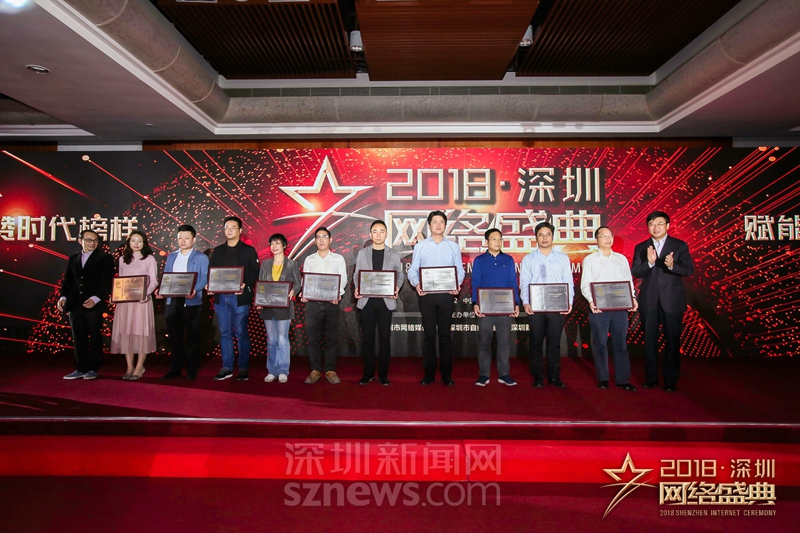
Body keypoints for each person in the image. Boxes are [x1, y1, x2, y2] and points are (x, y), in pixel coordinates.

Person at [631, 211, 694, 392]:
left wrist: (672, 265)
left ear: (667, 225)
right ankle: (651, 378)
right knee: (649, 341)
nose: (655, 227)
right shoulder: (641, 247)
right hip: (649, 300)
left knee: (672, 341)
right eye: (651, 223)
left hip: (672, 301)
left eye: (659, 223)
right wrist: (650, 263)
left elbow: (688, 270)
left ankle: (670, 381)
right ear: (647, 227)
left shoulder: (679, 245)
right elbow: (636, 271)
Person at [407, 210, 465, 386]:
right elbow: (412, 270)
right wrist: (417, 284)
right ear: (429, 225)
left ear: (445, 225)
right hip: (427, 296)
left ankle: (446, 374)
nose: (438, 225)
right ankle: (429, 373)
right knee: (429, 335)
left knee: (445, 336)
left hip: (447, 295)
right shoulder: (421, 246)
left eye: (441, 222)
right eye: (435, 222)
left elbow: (459, 269)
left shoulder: (453, 246)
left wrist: (457, 284)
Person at [580, 226, 637, 391]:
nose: (607, 239)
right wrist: (592, 301)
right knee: (600, 343)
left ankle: (623, 379)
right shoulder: (590, 259)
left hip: (620, 307)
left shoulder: (621, 259)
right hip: (599, 308)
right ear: (597, 240)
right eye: (603, 236)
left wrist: (632, 298)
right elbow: (585, 284)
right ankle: (603, 378)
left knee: (620, 344)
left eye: (610, 236)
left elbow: (628, 281)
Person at [519, 221, 574, 388]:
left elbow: (568, 281)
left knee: (554, 344)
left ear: (553, 236)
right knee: (535, 343)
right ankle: (537, 376)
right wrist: (526, 302)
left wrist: (568, 302)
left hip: (557, 306)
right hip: (535, 307)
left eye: (548, 234)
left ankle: (554, 376)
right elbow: (524, 282)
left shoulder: (563, 258)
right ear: (536, 237)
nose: (544, 238)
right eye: (541, 235)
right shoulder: (528, 259)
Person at [207, 216, 259, 381]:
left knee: (241, 332)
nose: (229, 230)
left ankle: (243, 367)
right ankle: (227, 367)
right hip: (221, 298)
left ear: (240, 230)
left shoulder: (248, 251)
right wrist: (210, 284)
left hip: (240, 298)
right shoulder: (218, 251)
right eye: (227, 227)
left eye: (233, 227)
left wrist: (245, 284)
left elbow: (254, 272)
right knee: (225, 332)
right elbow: (212, 271)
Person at [58, 229, 114, 380]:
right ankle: (80, 368)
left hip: (94, 304)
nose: (92, 243)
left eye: (95, 240)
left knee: (95, 335)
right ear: (80, 241)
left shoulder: (105, 258)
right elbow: (68, 281)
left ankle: (94, 368)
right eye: (88, 240)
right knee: (78, 336)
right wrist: (63, 297)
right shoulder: (74, 258)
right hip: (75, 303)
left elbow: (107, 281)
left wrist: (96, 298)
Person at [353, 219, 405, 386]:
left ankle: (383, 374)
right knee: (367, 340)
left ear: (386, 234)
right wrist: (357, 287)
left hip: (385, 302)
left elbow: (400, 275)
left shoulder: (393, 254)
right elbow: (357, 274)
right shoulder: (363, 253)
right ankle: (368, 374)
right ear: (370, 234)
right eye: (375, 231)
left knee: (384, 339)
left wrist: (396, 287)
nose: (378, 234)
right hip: (366, 301)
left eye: (381, 231)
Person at [157, 224, 209, 381]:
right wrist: (161, 289)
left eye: (186, 238)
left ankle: (192, 370)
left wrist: (195, 289)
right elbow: (167, 276)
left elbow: (204, 277)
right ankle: (175, 368)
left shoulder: (201, 257)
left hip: (192, 300)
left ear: (194, 239)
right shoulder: (172, 256)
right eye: (180, 238)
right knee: (174, 336)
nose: (183, 241)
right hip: (173, 300)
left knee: (192, 336)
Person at [472, 228, 520, 386]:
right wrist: (475, 303)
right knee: (484, 342)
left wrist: (516, 303)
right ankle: (483, 374)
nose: (497, 242)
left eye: (500, 239)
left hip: (505, 308)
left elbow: (513, 282)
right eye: (493, 239)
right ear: (486, 241)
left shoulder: (508, 259)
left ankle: (504, 374)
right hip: (485, 308)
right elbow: (476, 283)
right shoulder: (479, 260)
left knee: (504, 342)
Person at [301, 226, 348, 385]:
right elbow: (306, 279)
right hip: (313, 304)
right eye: (318, 237)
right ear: (315, 241)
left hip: (331, 303)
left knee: (331, 338)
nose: (321, 240)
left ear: (330, 240)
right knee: (313, 338)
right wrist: (305, 292)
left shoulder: (338, 259)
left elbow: (343, 278)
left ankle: (330, 370)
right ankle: (315, 370)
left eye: (324, 237)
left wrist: (337, 294)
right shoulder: (309, 259)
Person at [110, 230, 158, 380]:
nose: (136, 244)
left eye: (140, 241)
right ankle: (129, 366)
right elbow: (121, 282)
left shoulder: (149, 259)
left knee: (141, 333)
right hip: (125, 303)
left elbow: (154, 281)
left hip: (142, 302)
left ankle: (139, 367)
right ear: (128, 243)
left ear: (144, 243)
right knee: (127, 333)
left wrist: (146, 294)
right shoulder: (122, 259)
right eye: (133, 241)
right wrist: (115, 296)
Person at [257, 233, 301, 384]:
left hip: (284, 308)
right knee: (271, 340)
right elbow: (261, 283)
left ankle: (283, 370)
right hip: (268, 308)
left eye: (277, 243)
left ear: (284, 245)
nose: (274, 246)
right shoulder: (265, 264)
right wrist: (260, 299)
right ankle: (272, 370)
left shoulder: (291, 264)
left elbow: (298, 283)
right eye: (272, 243)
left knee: (282, 340)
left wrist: (293, 291)